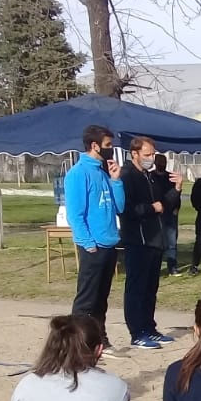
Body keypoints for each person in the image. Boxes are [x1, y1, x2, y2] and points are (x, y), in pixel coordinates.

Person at [66, 124, 125, 348]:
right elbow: (75, 214)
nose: (111, 149)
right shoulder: (78, 173)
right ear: (95, 145)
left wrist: (116, 180)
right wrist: (87, 242)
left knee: (101, 299)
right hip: (93, 246)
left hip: (110, 242)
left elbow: (119, 207)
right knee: (86, 299)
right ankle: (77, 344)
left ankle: (99, 339)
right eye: (108, 145)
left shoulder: (103, 172)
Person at [120, 136, 173, 350]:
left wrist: (177, 189)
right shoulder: (127, 175)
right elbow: (126, 209)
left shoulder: (149, 176)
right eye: (147, 154)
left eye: (153, 154)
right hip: (137, 240)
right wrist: (151, 208)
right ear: (134, 154)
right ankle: (137, 332)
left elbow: (163, 203)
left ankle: (149, 327)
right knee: (136, 288)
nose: (151, 158)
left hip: (155, 239)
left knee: (151, 288)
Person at [151, 153, 183, 277]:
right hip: (157, 213)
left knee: (171, 242)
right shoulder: (151, 176)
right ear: (155, 163)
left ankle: (172, 267)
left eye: (163, 162)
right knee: (157, 242)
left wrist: (177, 207)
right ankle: (155, 267)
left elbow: (177, 194)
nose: (161, 164)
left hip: (170, 213)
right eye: (159, 162)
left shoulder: (170, 177)